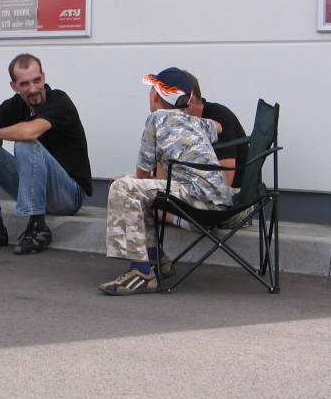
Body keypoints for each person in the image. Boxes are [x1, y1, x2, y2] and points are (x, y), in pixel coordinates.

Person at [98, 67, 233, 295]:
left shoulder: (156, 119)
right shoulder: (197, 122)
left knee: (123, 186)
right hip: (218, 198)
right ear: (189, 99)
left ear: (155, 95)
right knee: (130, 186)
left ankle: (141, 272)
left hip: (195, 196)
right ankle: (153, 257)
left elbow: (143, 173)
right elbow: (219, 127)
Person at [0, 53, 92, 255]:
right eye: (24, 84)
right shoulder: (14, 105)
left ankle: (37, 226)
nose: (33, 89)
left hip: (69, 194)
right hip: (34, 186)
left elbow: (29, 132)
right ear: (14, 86)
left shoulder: (60, 101)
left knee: (25, 143)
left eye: (36, 80)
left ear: (44, 77)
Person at [161, 71, 248, 231]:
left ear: (191, 100)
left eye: (170, 103)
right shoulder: (171, 124)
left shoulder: (218, 118)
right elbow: (160, 178)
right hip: (191, 192)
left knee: (144, 197)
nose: (167, 109)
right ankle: (184, 222)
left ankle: (180, 220)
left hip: (229, 200)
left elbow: (225, 180)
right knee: (127, 189)